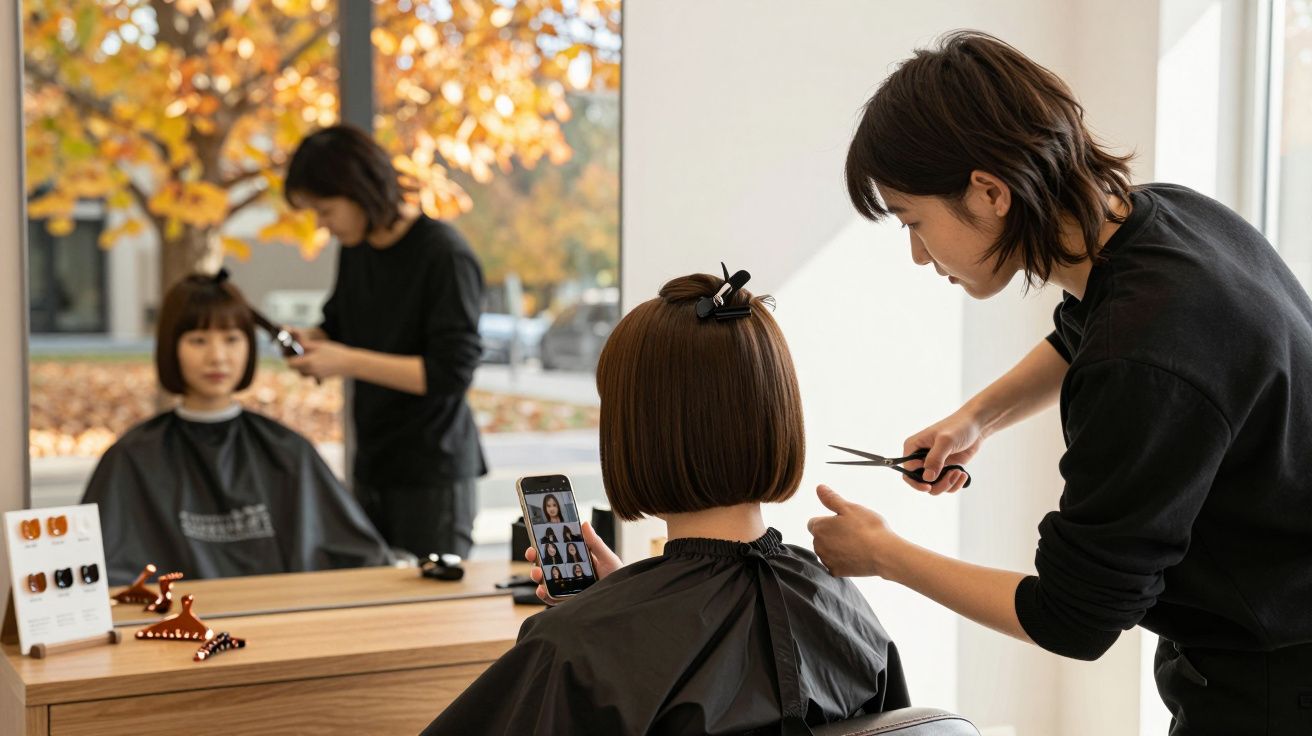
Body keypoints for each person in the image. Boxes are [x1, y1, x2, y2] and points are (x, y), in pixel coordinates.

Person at [810, 31, 1312, 735]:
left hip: (1273, 689)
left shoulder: (1143, 358)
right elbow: (1086, 333)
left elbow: (1073, 619)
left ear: (988, 192)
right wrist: (976, 418)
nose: (919, 256)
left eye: (915, 223)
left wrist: (884, 555)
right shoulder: (1169, 221)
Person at [423, 273, 909, 735]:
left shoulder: (572, 647)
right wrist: (628, 601)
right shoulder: (846, 612)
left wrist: (619, 613)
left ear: (637, 435)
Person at [82, 272, 392, 585]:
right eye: (198, 340)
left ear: (249, 347)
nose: (217, 357)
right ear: (171, 349)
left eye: (231, 339)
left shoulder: (287, 452)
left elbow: (361, 559)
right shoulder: (133, 458)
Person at [283, 125, 487, 560]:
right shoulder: (356, 249)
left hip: (433, 470)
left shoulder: (444, 255)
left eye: (325, 210)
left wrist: (347, 361)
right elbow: (339, 325)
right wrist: (311, 341)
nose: (321, 225)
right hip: (374, 462)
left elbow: (450, 372)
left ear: (360, 189)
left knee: (432, 614)